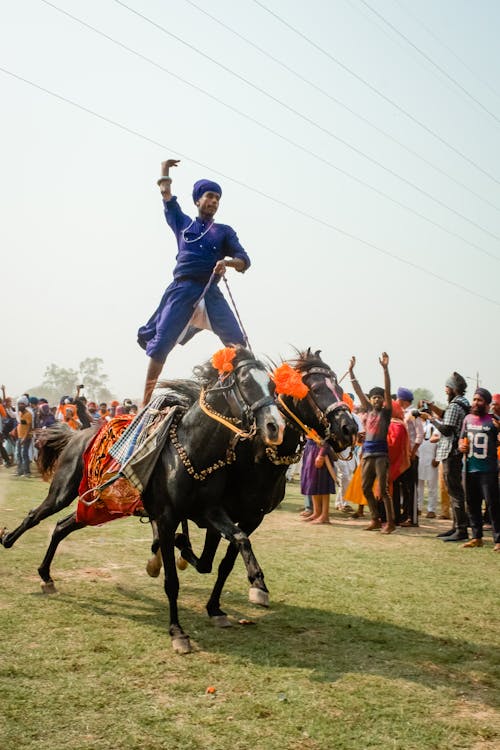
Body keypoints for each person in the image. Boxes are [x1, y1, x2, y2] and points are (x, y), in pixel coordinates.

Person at [138, 158, 251, 405]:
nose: (213, 201)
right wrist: (164, 169)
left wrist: (227, 263)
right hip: (182, 290)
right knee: (160, 347)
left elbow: (244, 260)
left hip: (210, 291)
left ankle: (240, 398)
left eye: (217, 198)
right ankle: (144, 403)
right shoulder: (183, 223)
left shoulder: (224, 231)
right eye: (209, 196)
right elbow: (166, 194)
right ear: (198, 200)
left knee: (239, 345)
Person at [348, 353, 395, 534]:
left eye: (379, 397)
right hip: (367, 454)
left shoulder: (386, 413)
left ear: (384, 400)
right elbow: (358, 390)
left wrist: (385, 369)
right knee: (365, 488)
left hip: (381, 456)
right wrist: (351, 372)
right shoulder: (367, 411)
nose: (376, 399)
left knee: (383, 491)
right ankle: (375, 518)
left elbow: (388, 387)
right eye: (374, 397)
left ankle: (389, 523)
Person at [420, 372, 470, 542]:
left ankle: (461, 529)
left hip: (450, 451)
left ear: (452, 389)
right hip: (454, 452)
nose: (445, 390)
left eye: (447, 387)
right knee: (454, 490)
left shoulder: (455, 405)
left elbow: (447, 429)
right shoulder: (460, 403)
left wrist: (430, 419)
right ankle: (456, 527)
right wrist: (432, 408)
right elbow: (447, 415)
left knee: (454, 492)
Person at [459, 388, 500, 552]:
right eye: (474, 399)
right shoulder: (467, 419)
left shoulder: (494, 421)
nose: (476, 402)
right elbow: (462, 439)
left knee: (493, 505)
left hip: (488, 469)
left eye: (480, 400)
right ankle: (477, 537)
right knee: (472, 504)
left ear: (487, 403)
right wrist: (461, 446)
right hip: (469, 468)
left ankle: (498, 539)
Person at [395, 387, 423, 527]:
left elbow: (420, 434)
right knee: (404, 487)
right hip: (402, 455)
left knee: (411, 487)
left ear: (402, 400)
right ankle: (404, 515)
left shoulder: (413, 413)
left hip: (411, 455)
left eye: (397, 399)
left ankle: (413, 519)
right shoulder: (401, 413)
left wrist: (413, 452)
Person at [300, 439, 336, 524]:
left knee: (323, 482)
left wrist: (321, 454)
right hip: (310, 447)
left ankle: (325, 515)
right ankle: (317, 512)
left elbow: (327, 438)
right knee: (312, 481)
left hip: (320, 448)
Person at [417, 418, 439, 518]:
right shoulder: (417, 425)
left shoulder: (434, 425)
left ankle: (431, 510)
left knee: (432, 486)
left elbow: (439, 443)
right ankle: (418, 507)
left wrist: (437, 458)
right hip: (419, 458)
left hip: (431, 459)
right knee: (418, 486)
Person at [15, 397, 33, 477]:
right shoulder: (19, 413)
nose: (20, 405)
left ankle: (27, 472)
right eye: (19, 404)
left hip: (25, 437)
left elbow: (29, 427)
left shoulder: (28, 414)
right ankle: (19, 471)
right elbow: (20, 424)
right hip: (19, 436)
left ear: (25, 405)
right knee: (18, 454)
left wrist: (24, 438)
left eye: (21, 404)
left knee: (24, 454)